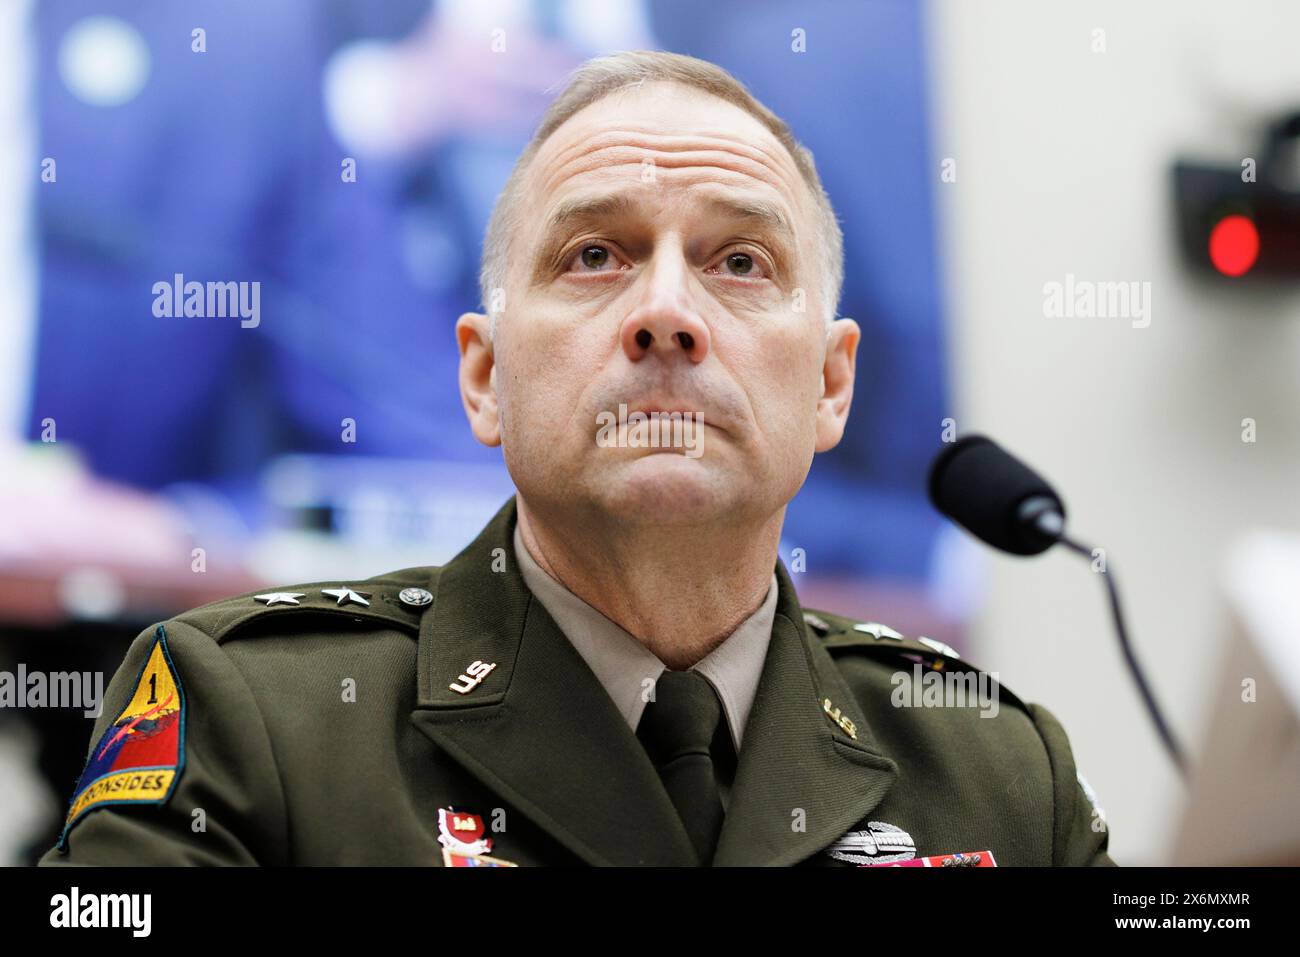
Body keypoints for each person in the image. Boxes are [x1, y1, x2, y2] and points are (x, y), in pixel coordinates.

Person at [40, 50, 1113, 867]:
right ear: (484, 378)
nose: (665, 315)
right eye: (594, 256)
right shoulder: (246, 721)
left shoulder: (999, 774)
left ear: (831, 384)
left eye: (739, 262)